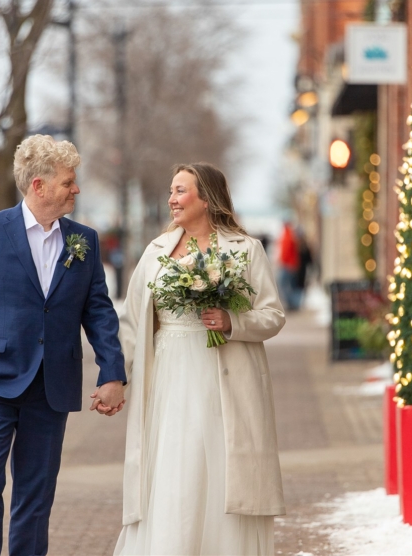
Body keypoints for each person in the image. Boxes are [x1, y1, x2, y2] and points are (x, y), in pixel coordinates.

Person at [0, 135, 126, 556]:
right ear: (39, 185)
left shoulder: (85, 240)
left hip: (51, 388)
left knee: (35, 496)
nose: (75, 189)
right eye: (68, 182)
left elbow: (98, 312)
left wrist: (112, 371)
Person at [114, 163, 286, 556]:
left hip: (221, 377)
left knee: (219, 466)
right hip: (168, 378)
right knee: (175, 467)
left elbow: (273, 314)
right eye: (171, 191)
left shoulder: (245, 250)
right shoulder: (156, 251)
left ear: (205, 198)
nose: (171, 199)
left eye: (180, 191)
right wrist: (117, 377)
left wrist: (232, 321)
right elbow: (132, 319)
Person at [277, 220, 301, 311]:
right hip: (290, 264)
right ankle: (292, 303)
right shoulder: (290, 234)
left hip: (288, 265)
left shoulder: (288, 235)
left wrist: (282, 261)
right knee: (289, 285)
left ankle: (291, 303)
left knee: (284, 284)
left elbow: (285, 251)